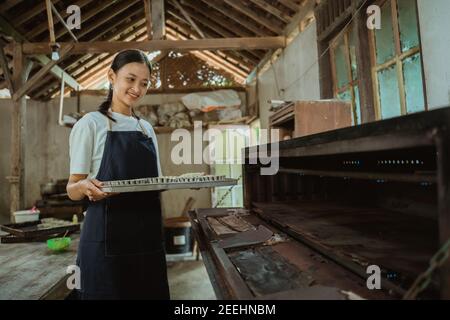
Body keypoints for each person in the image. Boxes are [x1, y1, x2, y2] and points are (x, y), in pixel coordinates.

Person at [66, 49, 170, 300]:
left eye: (144, 83)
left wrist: (185, 182)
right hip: (106, 240)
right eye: (130, 79)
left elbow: (155, 183)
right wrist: (86, 187)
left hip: (147, 238)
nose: (137, 88)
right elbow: (72, 188)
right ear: (112, 76)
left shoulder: (145, 129)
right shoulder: (90, 124)